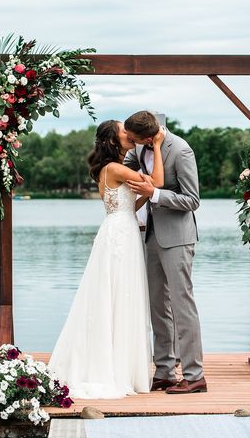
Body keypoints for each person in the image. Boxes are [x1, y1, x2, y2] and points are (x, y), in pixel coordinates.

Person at [47, 119, 165, 399]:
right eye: (124, 131)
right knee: (117, 295)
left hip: (120, 227)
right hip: (120, 236)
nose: (129, 134)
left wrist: (142, 200)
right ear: (114, 140)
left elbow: (131, 202)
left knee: (119, 296)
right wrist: (157, 146)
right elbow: (157, 183)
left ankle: (118, 364)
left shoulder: (113, 169)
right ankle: (111, 368)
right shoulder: (114, 168)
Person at [124, 110, 206, 394]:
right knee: (158, 306)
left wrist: (155, 194)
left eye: (135, 140)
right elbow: (124, 165)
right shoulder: (139, 146)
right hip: (150, 236)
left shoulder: (181, 150)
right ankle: (164, 371)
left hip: (178, 238)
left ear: (149, 136)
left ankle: (195, 376)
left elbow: (192, 200)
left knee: (182, 306)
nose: (132, 145)